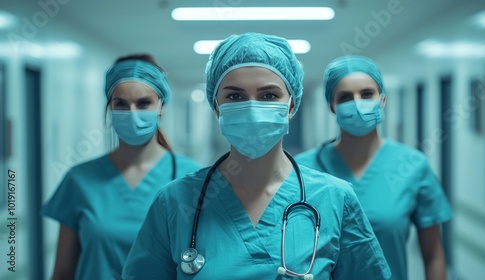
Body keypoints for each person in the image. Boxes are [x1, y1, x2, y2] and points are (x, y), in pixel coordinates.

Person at [122, 33, 391, 279]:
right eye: (235, 96)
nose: (252, 108)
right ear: (217, 107)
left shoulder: (335, 198)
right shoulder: (175, 202)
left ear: (291, 105)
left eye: (269, 95)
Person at [41, 53, 203, 280]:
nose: (132, 113)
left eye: (144, 103)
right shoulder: (79, 180)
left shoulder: (194, 180)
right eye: (121, 104)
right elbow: (62, 273)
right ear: (109, 107)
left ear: (162, 106)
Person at [295, 55, 453, 280]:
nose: (358, 103)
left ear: (383, 100)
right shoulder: (303, 170)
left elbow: (434, 255)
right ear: (332, 106)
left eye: (367, 94)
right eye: (345, 97)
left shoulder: (412, 166)